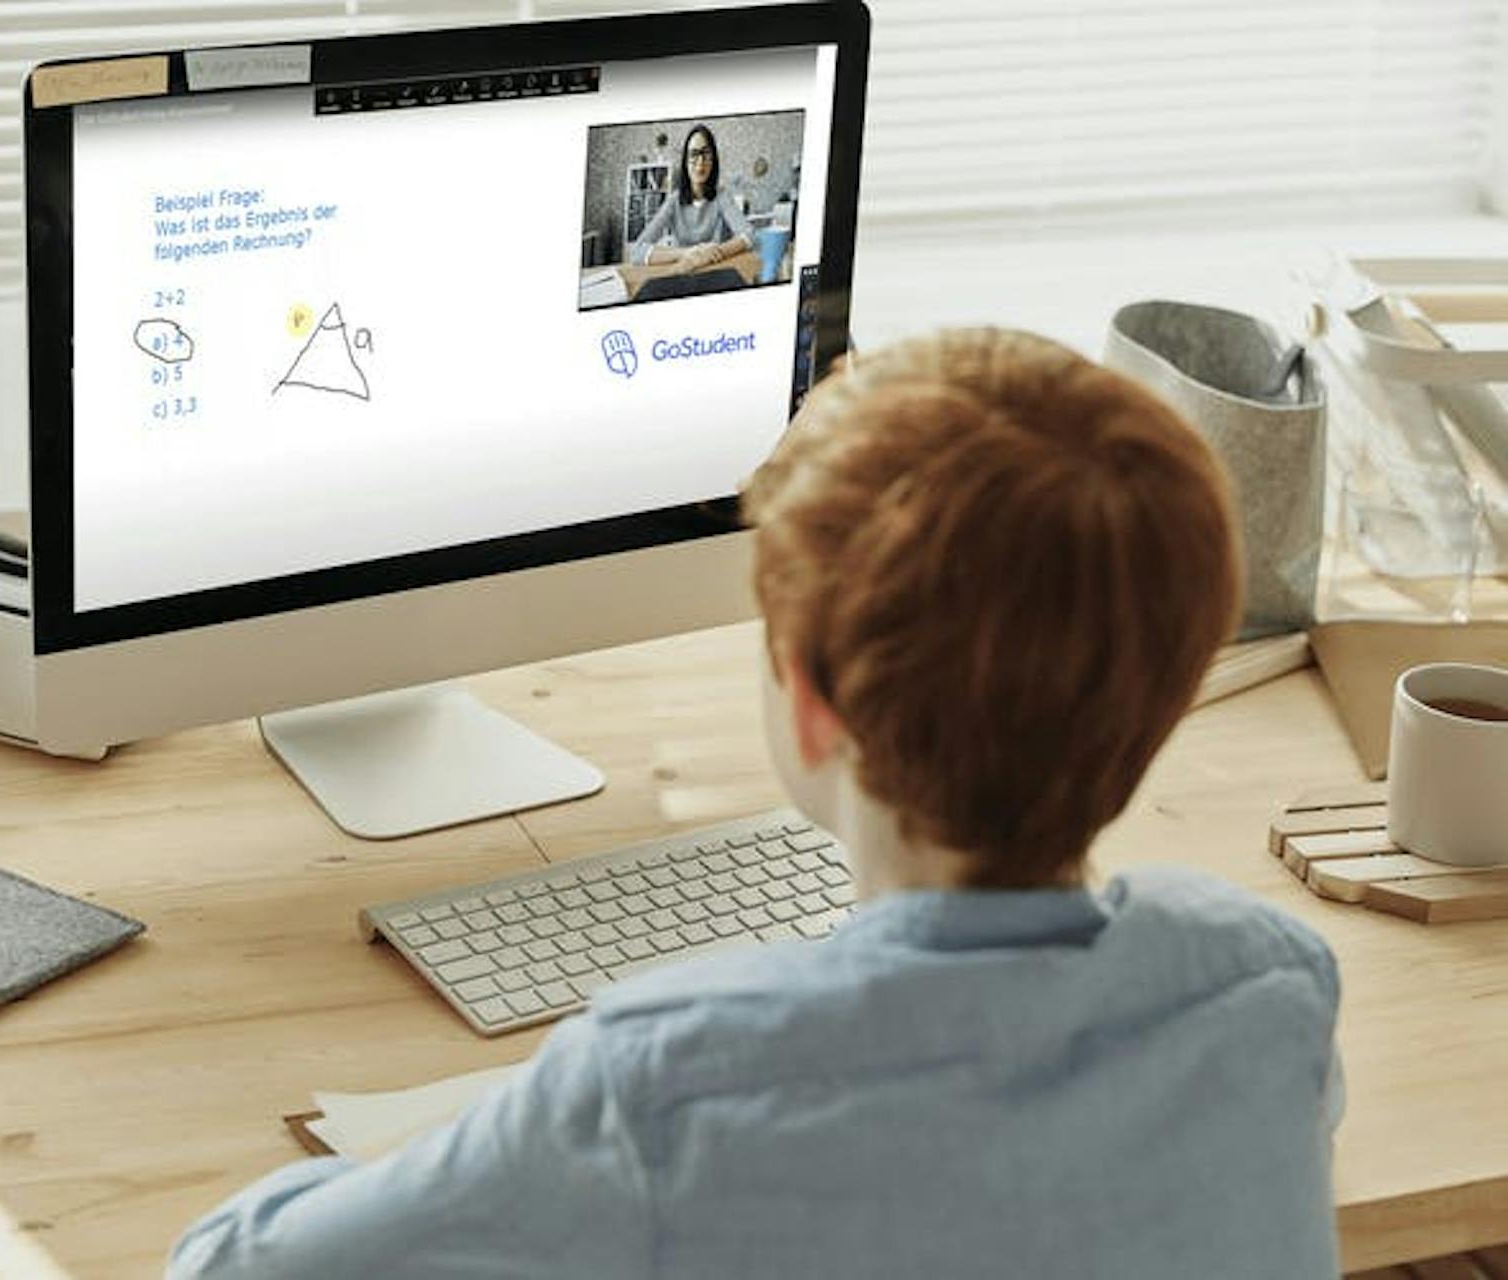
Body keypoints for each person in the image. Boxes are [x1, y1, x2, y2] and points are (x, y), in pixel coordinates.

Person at [167, 328, 1344, 1279]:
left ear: (815, 701)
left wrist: (496, 1143)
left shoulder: (667, 1085)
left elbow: (228, 1267)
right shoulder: (1268, 979)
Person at [628, 123, 752, 271]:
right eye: (694, 154)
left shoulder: (722, 196)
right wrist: (687, 254)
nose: (700, 163)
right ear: (685, 161)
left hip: (716, 270)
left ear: (713, 160)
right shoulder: (673, 200)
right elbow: (637, 251)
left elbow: (749, 235)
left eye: (706, 154)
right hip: (684, 271)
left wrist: (711, 254)